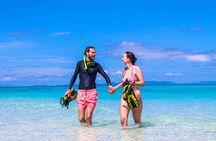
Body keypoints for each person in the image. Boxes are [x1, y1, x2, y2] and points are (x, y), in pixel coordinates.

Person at [65, 46, 112, 127]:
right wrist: (69, 88)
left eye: (95, 53)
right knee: (81, 118)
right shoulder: (80, 64)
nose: (94, 54)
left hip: (92, 93)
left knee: (88, 116)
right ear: (87, 53)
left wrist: (109, 85)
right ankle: (85, 132)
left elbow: (105, 75)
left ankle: (89, 134)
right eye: (92, 52)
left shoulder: (97, 65)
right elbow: (74, 75)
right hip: (81, 93)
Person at [109, 51, 144, 128]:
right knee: (123, 120)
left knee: (137, 122)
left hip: (135, 96)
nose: (122, 58)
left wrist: (134, 82)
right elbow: (124, 84)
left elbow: (142, 83)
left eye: (123, 57)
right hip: (125, 96)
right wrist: (114, 88)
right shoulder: (124, 70)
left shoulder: (136, 68)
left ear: (128, 58)